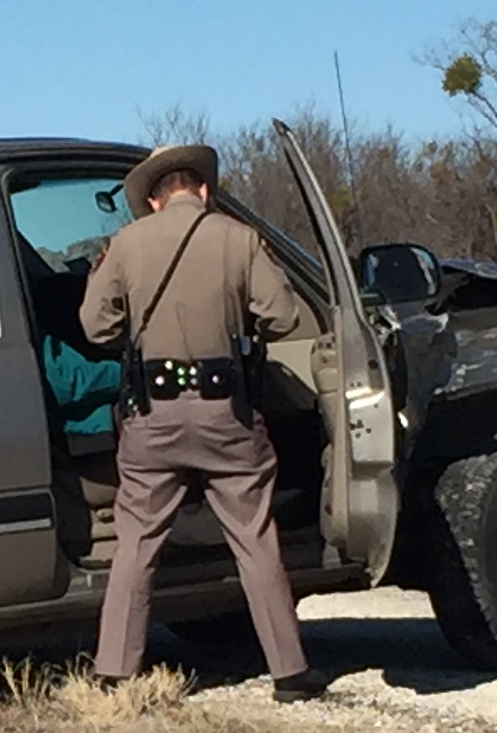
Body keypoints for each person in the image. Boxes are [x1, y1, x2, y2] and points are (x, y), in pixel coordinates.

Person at [79, 141, 335, 700]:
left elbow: (95, 327)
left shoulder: (124, 244)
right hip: (226, 412)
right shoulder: (239, 239)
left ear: (152, 199)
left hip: (153, 414)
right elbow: (285, 316)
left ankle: (114, 669)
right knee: (254, 537)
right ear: (202, 190)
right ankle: (290, 672)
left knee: (137, 540)